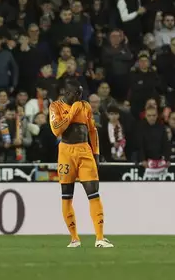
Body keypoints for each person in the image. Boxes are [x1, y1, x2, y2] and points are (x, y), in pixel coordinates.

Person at [48, 78, 113, 248]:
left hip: (85, 151)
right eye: (78, 94)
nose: (80, 97)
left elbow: (92, 130)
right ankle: (74, 238)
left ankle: (99, 238)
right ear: (68, 93)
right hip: (66, 153)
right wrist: (71, 113)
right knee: (67, 195)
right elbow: (56, 130)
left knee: (93, 193)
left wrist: (96, 153)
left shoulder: (85, 106)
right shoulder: (55, 106)